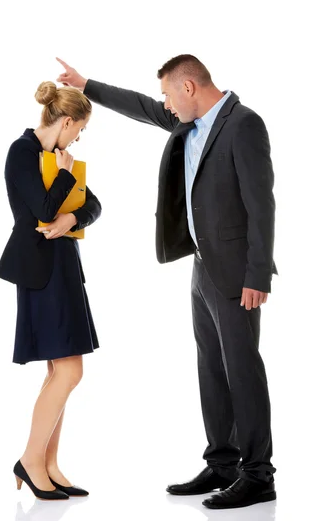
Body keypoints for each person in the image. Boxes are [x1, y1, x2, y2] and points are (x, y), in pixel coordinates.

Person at [56, 54, 278, 510]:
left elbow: (262, 205)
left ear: (189, 88)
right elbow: (139, 105)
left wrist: (258, 273)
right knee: (211, 368)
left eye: (168, 95)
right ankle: (222, 463)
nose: (165, 105)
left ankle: (258, 475)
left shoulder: (244, 125)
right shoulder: (188, 121)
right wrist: (86, 84)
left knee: (243, 370)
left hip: (237, 273)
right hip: (202, 265)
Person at [0, 81, 101, 500]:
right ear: (68, 120)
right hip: (40, 271)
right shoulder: (22, 153)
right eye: (80, 129)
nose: (79, 137)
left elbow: (93, 205)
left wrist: (71, 220)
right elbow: (40, 209)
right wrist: (65, 175)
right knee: (70, 371)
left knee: (60, 371)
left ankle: (49, 464)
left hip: (65, 266)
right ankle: (30, 459)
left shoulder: (58, 159)